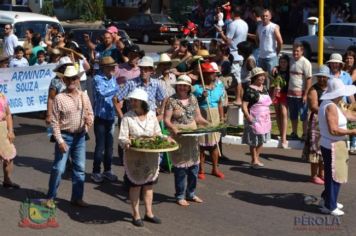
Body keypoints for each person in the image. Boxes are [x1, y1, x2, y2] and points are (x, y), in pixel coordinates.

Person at [47, 66, 94, 207]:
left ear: (78, 79)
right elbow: (54, 122)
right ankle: (51, 197)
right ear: (64, 80)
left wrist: (88, 124)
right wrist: (60, 140)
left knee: (79, 169)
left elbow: (90, 114)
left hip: (80, 136)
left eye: (74, 78)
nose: (72, 81)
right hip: (65, 136)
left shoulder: (83, 96)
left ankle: (77, 198)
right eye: (69, 78)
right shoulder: (59, 98)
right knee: (59, 169)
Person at [118, 88, 163, 227]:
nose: (132, 102)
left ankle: (149, 213)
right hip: (134, 157)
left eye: (135, 100)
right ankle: (136, 214)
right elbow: (122, 138)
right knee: (136, 186)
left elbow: (158, 133)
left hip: (150, 156)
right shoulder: (127, 117)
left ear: (143, 102)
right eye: (131, 100)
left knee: (149, 185)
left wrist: (165, 139)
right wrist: (127, 142)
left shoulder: (151, 115)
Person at [164, 75, 209, 206]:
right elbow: (167, 119)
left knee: (194, 168)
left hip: (192, 136)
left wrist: (209, 124)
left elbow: (198, 117)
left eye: (185, 85)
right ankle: (179, 195)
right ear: (177, 86)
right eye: (180, 85)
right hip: (179, 136)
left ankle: (191, 193)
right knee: (181, 169)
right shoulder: (172, 100)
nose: (182, 87)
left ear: (189, 87)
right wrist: (173, 127)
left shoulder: (193, 99)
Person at [318, 78, 356, 216]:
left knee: (336, 174)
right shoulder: (330, 106)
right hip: (332, 144)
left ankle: (327, 199)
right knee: (334, 176)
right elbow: (333, 130)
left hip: (335, 143)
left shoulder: (335, 103)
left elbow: (348, 115)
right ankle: (330, 206)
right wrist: (352, 132)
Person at [193, 62, 225, 179]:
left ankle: (215, 168)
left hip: (215, 115)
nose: (214, 76)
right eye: (212, 74)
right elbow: (192, 102)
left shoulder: (219, 87)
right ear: (205, 75)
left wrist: (222, 118)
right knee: (201, 144)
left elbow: (220, 103)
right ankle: (201, 169)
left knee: (214, 144)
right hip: (202, 115)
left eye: (215, 74)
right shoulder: (196, 88)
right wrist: (201, 96)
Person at [91, 57, 118, 183]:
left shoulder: (112, 78)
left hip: (111, 116)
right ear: (104, 67)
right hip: (101, 117)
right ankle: (96, 171)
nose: (113, 68)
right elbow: (102, 93)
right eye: (111, 66)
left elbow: (115, 95)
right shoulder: (97, 78)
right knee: (100, 146)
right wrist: (117, 89)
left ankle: (107, 170)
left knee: (110, 146)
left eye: (113, 66)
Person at [302, 65, 330, 185]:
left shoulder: (330, 88)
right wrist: (328, 111)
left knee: (324, 148)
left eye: (324, 77)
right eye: (320, 77)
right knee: (315, 149)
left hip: (328, 120)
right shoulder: (313, 89)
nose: (321, 79)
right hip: (317, 121)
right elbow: (313, 106)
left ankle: (322, 174)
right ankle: (314, 175)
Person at [217, 6, 248, 105]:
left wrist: (221, 32)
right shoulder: (245, 24)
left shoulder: (233, 24)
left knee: (237, 79)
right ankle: (240, 99)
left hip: (235, 54)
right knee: (240, 78)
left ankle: (238, 99)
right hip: (242, 54)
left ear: (234, 14)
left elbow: (228, 41)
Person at [241, 67, 272, 168]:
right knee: (253, 141)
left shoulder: (264, 88)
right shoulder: (249, 90)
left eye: (263, 76)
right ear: (254, 78)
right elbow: (244, 105)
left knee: (262, 139)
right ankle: (254, 160)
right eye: (260, 76)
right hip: (254, 117)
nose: (262, 78)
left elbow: (268, 102)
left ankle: (256, 158)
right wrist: (247, 116)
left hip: (265, 119)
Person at [287, 43, 312, 140]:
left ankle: (305, 134)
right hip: (290, 94)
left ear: (302, 51)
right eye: (294, 50)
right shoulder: (291, 60)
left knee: (303, 116)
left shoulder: (306, 63)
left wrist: (306, 94)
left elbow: (309, 79)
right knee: (293, 115)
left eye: (297, 51)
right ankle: (294, 132)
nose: (295, 53)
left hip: (301, 95)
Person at [0, 93, 20, 189]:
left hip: (3, 128)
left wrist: (11, 130)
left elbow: (8, 114)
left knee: (9, 156)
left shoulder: (2, 96)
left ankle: (7, 181)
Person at [46, 56, 73, 125]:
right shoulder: (55, 81)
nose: (67, 68)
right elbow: (51, 98)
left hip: (74, 112)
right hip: (60, 113)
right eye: (65, 66)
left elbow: (79, 94)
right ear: (60, 68)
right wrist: (49, 115)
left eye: (69, 66)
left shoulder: (74, 79)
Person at [256, 9, 283, 76]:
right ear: (260, 17)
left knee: (273, 78)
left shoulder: (274, 27)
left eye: (266, 16)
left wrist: (277, 51)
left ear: (270, 17)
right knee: (261, 78)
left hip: (271, 57)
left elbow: (280, 41)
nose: (264, 17)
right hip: (261, 57)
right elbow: (257, 38)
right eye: (263, 16)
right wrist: (259, 47)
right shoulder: (259, 27)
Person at [271, 54, 289, 148]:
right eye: (281, 62)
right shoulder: (276, 71)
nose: (283, 64)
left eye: (284, 62)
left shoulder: (289, 71)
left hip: (285, 94)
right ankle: (281, 132)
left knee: (284, 113)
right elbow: (272, 82)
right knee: (277, 113)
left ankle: (284, 137)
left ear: (288, 63)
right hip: (277, 94)